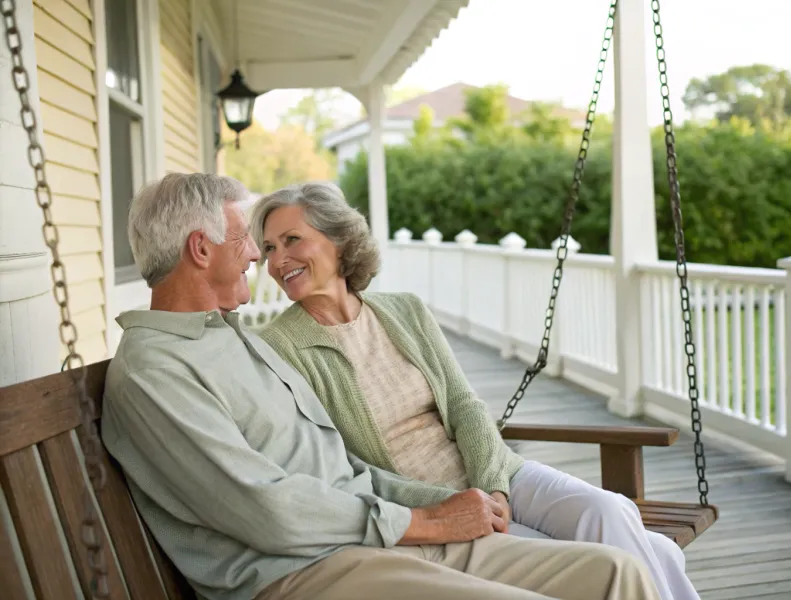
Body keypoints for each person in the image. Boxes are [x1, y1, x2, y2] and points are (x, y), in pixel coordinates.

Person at [101, 172, 662, 600]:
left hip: (369, 536)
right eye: (250, 242)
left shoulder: (227, 336)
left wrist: (446, 504)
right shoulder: (156, 371)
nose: (257, 256)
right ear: (201, 250)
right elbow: (265, 511)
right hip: (302, 571)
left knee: (618, 571)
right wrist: (426, 522)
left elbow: (347, 470)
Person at [253, 180, 701, 600]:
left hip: (497, 471)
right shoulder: (280, 347)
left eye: (292, 240)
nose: (277, 260)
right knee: (628, 558)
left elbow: (465, 405)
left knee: (610, 511)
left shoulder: (402, 310)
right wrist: (449, 506)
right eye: (269, 248)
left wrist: (493, 488)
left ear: (340, 240)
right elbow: (340, 464)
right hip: (430, 507)